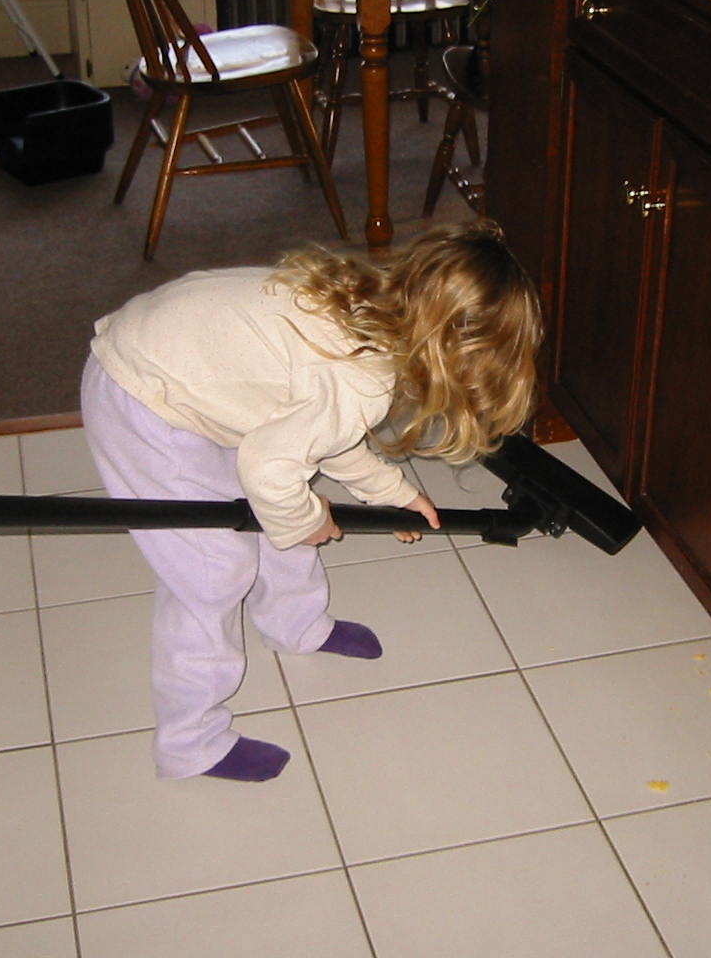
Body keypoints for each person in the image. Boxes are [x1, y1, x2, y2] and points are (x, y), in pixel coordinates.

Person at [80, 222, 542, 782]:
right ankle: (189, 744)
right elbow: (270, 467)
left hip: (182, 366)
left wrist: (393, 493)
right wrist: (303, 522)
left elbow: (320, 431)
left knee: (284, 502)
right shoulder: (359, 381)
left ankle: (295, 625)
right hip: (140, 394)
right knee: (214, 571)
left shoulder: (370, 313)